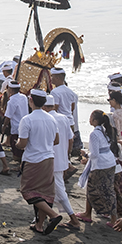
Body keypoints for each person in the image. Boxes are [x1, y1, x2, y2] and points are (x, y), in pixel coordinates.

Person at [17, 89, 64, 235]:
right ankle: (39, 224)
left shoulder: (27, 119)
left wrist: (17, 143)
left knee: (28, 191)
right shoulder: (51, 119)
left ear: (30, 100)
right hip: (48, 157)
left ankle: (53, 215)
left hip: (33, 159)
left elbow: (22, 144)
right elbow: (56, 140)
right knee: (44, 192)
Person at [76, 109, 119, 225]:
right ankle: (111, 215)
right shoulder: (105, 130)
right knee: (108, 189)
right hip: (109, 161)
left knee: (92, 189)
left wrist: (86, 155)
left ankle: (89, 213)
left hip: (101, 164)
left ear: (94, 120)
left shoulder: (94, 134)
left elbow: (94, 154)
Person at [45, 95, 80, 229]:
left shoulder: (48, 119)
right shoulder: (63, 118)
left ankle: (73, 219)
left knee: (58, 190)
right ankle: (49, 216)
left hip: (50, 159)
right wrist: (67, 156)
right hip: (61, 158)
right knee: (52, 189)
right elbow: (70, 139)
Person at [3, 81, 29, 162]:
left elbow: (8, 117)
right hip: (26, 125)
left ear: (10, 90)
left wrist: (4, 126)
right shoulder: (24, 97)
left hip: (16, 127)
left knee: (16, 153)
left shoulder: (11, 101)